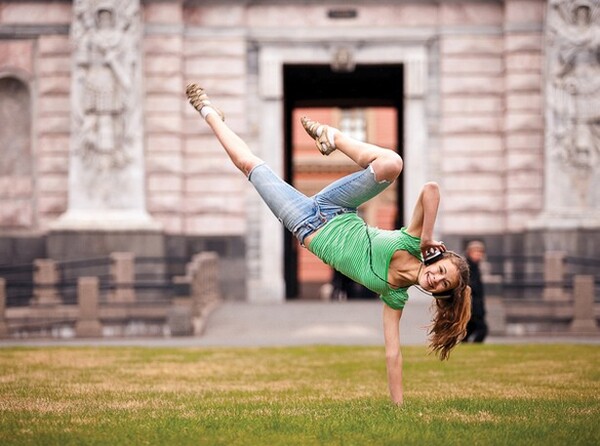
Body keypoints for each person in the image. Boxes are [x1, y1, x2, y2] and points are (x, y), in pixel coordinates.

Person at [185, 83, 472, 405]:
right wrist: (428, 236)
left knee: (249, 165)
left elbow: (393, 353)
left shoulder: (395, 295)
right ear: (438, 260)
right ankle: (332, 136)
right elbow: (431, 189)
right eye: (441, 271)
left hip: (305, 224)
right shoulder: (412, 241)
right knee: (391, 163)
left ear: (438, 293)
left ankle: (209, 113)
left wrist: (399, 406)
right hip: (338, 208)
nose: (435, 279)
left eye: (441, 285)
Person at [464, 240, 488, 343]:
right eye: (476, 252)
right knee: (481, 329)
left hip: (477, 305)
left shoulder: (476, 267)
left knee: (470, 329)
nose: (478, 255)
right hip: (471, 304)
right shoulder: (467, 266)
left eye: (480, 252)